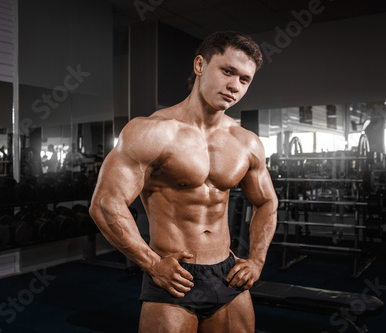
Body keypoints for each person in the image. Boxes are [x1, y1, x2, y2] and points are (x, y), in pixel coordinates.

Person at [89, 31, 278, 333]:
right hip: (173, 276)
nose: (234, 86)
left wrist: (256, 260)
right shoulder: (152, 132)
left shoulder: (247, 143)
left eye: (244, 79)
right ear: (200, 65)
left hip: (227, 274)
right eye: (227, 71)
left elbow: (267, 201)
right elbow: (105, 204)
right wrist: (152, 264)